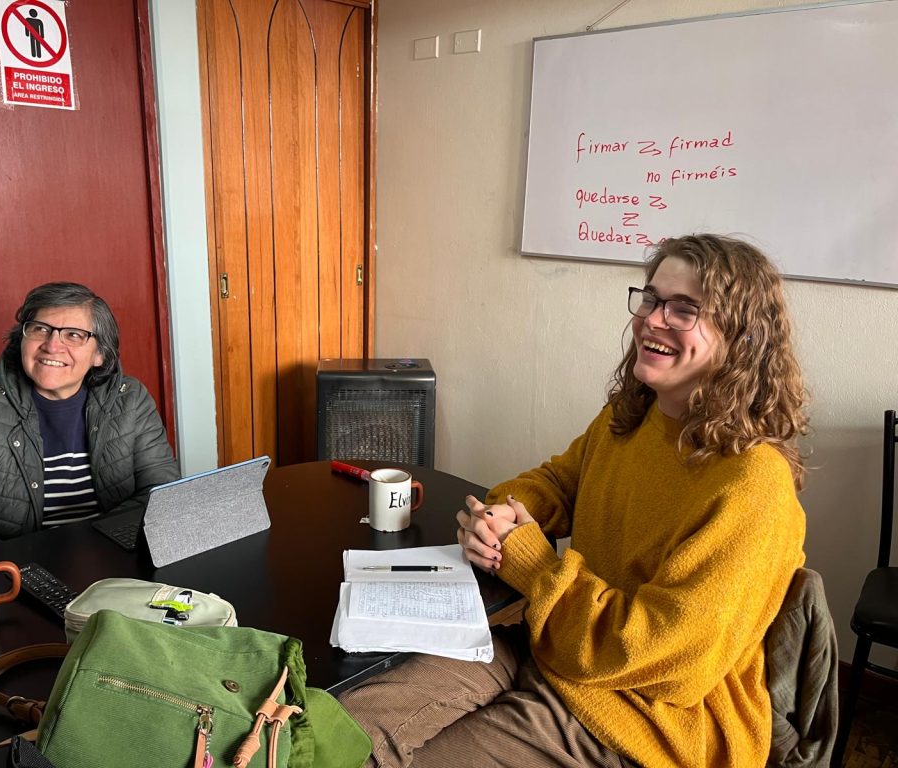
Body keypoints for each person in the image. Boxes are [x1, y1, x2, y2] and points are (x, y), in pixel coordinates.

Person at [340, 235, 810, 768]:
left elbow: (671, 662)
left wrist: (535, 565)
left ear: (742, 340)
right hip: (552, 643)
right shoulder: (632, 417)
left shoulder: (753, 485)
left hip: (643, 718)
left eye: (684, 310)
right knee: (343, 731)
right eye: (652, 299)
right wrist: (506, 512)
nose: (654, 320)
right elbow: (559, 483)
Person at [0, 282, 179, 550]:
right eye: (40, 329)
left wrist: (94, 545)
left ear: (100, 354)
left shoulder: (130, 399)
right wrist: (34, 564)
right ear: (22, 338)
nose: (53, 346)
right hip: (20, 573)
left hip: (115, 557)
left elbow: (163, 495)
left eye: (74, 335)